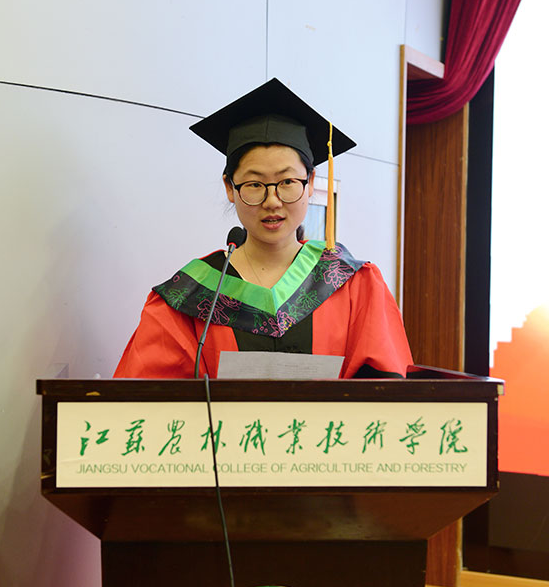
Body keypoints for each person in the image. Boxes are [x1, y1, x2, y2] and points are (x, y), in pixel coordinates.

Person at [114, 78, 412, 379]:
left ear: (310, 182)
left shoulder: (352, 283)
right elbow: (147, 393)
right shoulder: (188, 295)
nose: (272, 201)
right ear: (230, 187)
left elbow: (387, 390)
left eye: (288, 182)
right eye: (254, 184)